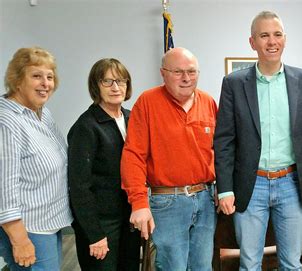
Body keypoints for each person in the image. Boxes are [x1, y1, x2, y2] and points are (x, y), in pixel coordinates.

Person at [214, 11, 302, 270]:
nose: (271, 41)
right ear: (252, 42)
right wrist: (226, 188)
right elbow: (224, 140)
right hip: (251, 185)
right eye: (264, 35)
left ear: (285, 39)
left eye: (277, 34)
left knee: (291, 263)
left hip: (291, 183)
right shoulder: (234, 83)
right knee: (250, 263)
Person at [121, 47, 217, 270]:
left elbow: (220, 152)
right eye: (178, 72)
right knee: (173, 266)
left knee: (203, 266)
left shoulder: (208, 102)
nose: (186, 78)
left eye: (192, 72)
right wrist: (138, 202)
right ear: (163, 73)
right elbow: (134, 154)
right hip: (167, 203)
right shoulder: (147, 102)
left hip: (205, 199)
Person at [0, 47, 73, 270]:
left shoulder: (42, 114)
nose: (45, 83)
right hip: (29, 229)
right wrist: (20, 240)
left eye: (49, 77)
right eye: (36, 76)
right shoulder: (7, 121)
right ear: (17, 80)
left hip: (49, 222)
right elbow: (4, 186)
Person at [67, 58, 141, 270]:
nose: (115, 87)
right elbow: (79, 186)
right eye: (107, 81)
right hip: (101, 223)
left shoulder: (131, 118)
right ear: (96, 86)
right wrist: (95, 234)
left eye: (120, 81)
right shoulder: (86, 126)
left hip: (129, 218)